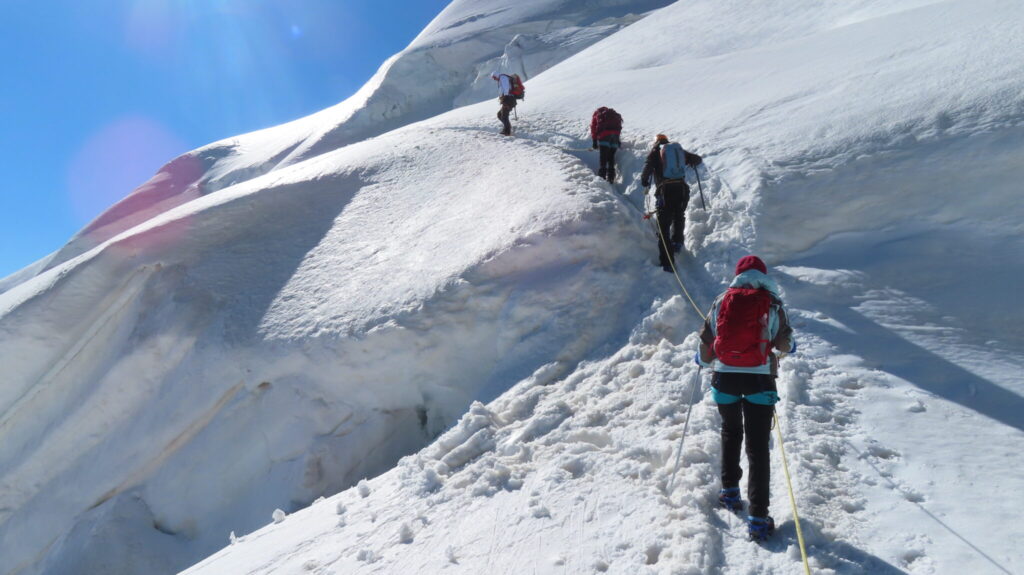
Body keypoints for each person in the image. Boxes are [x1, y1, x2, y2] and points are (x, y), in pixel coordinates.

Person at [695, 255, 796, 541]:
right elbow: (785, 343)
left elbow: (707, 343)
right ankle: (758, 518)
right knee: (757, 447)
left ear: (738, 275)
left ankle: (729, 493)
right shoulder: (773, 302)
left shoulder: (721, 299)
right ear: (763, 275)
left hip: (725, 378)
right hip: (759, 380)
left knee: (730, 432)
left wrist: (702, 359)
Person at [640, 134, 702, 271]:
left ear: (656, 142)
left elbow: (646, 170)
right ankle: (678, 241)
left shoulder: (655, 153)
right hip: (682, 189)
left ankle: (667, 262)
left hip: (665, 191)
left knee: (663, 227)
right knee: (679, 214)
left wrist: (645, 180)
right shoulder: (677, 151)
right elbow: (697, 159)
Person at [590, 107, 622, 182]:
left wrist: (594, 141)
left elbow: (593, 127)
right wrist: (618, 140)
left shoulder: (597, 113)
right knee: (611, 156)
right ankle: (611, 176)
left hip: (604, 136)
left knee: (603, 156)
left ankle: (602, 176)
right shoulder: (613, 115)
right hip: (615, 136)